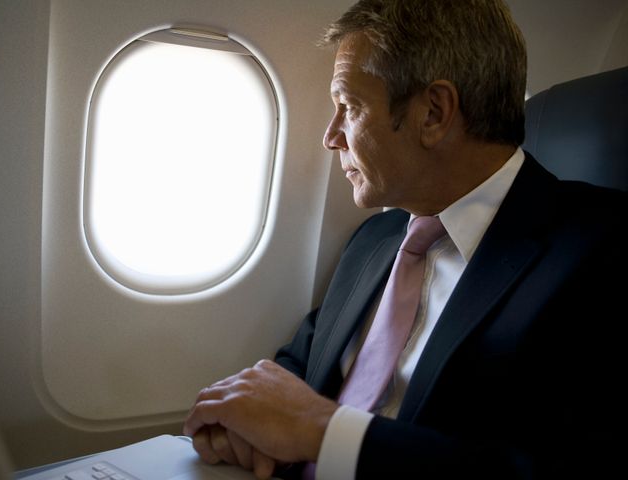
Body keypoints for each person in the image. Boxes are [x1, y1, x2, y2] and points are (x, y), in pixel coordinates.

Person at [183, 0, 626, 478]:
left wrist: (324, 432)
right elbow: (304, 363)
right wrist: (244, 417)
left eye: (349, 107)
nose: (332, 137)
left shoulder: (603, 251)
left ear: (433, 113)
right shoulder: (374, 240)